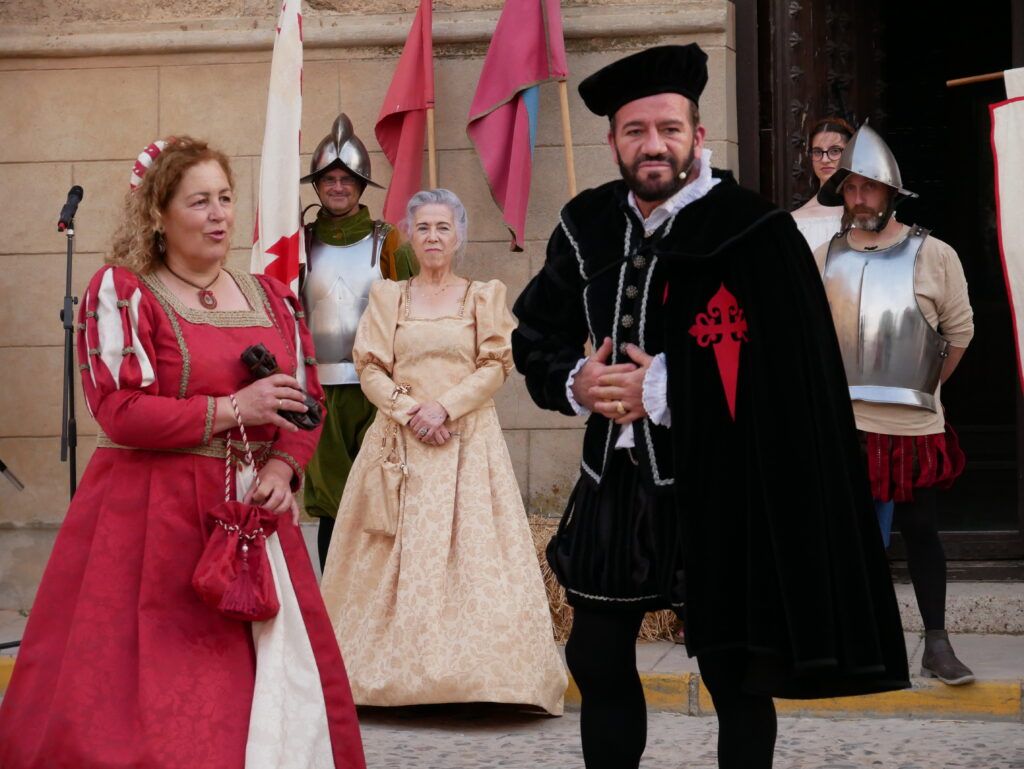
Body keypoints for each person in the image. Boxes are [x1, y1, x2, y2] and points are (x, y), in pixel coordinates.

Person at [512, 44, 909, 769]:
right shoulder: (585, 223)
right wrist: (575, 381)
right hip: (615, 480)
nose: (653, 144)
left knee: (735, 670)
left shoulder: (753, 229)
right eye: (635, 131)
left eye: (669, 128)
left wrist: (666, 386)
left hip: (725, 483)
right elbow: (536, 332)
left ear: (697, 135)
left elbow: (789, 367)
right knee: (596, 655)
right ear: (612, 142)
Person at [0, 137, 365, 769]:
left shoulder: (271, 296)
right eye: (199, 202)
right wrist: (234, 409)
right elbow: (119, 409)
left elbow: (305, 401)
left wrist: (285, 465)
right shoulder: (125, 293)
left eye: (224, 198)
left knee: (272, 680)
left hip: (252, 520)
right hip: (151, 522)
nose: (219, 215)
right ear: (157, 214)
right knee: (158, 690)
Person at [320, 188, 567, 715]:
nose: (433, 237)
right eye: (424, 227)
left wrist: (445, 409)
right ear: (409, 235)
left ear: (459, 237)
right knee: (388, 559)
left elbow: (496, 365)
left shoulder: (483, 296)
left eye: (443, 228)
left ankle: (482, 681)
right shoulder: (388, 297)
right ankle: (384, 679)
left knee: (475, 560)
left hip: (466, 446)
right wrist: (412, 410)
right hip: (399, 446)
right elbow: (370, 367)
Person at [814, 122, 975, 685]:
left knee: (921, 529)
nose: (859, 198)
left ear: (890, 192)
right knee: (849, 536)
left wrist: (926, 385)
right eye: (851, 188)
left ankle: (937, 642)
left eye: (869, 187)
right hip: (845, 422)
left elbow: (959, 334)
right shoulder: (823, 256)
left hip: (912, 423)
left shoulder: (934, 254)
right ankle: (855, 641)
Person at [301, 113, 418, 569]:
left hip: (377, 388)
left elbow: (412, 314)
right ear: (317, 185)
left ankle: (376, 596)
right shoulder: (298, 244)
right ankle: (333, 597)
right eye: (329, 179)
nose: (337, 187)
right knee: (332, 499)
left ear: (361, 185)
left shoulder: (388, 243)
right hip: (319, 389)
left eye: (346, 179)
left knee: (379, 494)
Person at [791, 116, 855, 250]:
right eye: (817, 152)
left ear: (851, 154)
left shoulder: (869, 214)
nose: (825, 159)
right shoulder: (797, 222)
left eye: (835, 151)